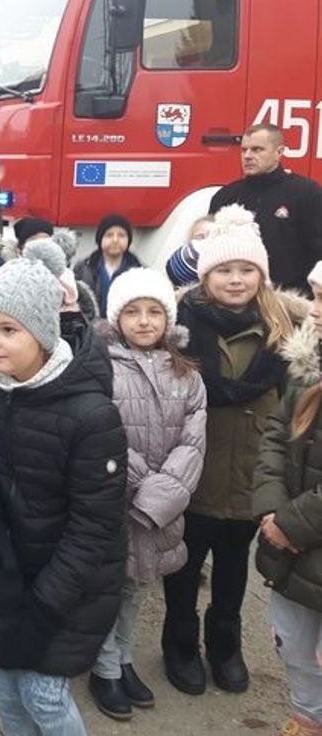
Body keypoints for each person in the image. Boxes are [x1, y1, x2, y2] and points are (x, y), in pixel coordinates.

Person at [0, 254, 127, 736]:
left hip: (70, 585)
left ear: (42, 332)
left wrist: (47, 603)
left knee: (44, 694)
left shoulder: (90, 414)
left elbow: (95, 526)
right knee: (3, 684)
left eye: (8, 330)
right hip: (11, 574)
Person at [163, 204, 302, 695]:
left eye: (247, 270)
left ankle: (225, 641)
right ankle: (179, 640)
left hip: (249, 475)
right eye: (225, 269)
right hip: (193, 472)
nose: (236, 279)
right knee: (182, 562)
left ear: (261, 276)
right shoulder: (178, 326)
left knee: (231, 567)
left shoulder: (286, 333)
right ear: (206, 275)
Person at [89, 268, 207, 720]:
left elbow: (193, 444)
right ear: (116, 318)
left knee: (138, 588)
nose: (143, 321)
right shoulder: (102, 368)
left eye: (154, 311)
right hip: (116, 503)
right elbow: (104, 433)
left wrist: (161, 497)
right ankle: (103, 668)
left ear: (167, 318)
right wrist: (144, 487)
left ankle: (122, 660)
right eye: (132, 312)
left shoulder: (188, 376)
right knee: (108, 586)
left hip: (158, 511)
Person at [253, 260, 322, 736]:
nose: (313, 311)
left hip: (301, 536)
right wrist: (272, 510)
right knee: (295, 643)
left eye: (321, 298)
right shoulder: (307, 365)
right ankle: (306, 718)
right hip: (293, 546)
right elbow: (277, 433)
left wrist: (291, 526)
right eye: (314, 296)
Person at [209, 123, 322, 294]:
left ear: (279, 152)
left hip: (290, 301)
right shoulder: (226, 196)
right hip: (237, 301)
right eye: (244, 150)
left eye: (257, 149)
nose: (247, 156)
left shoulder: (306, 193)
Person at [72, 214, 143, 318]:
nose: (115, 240)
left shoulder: (139, 271)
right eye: (109, 235)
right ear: (100, 239)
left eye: (121, 235)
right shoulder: (83, 268)